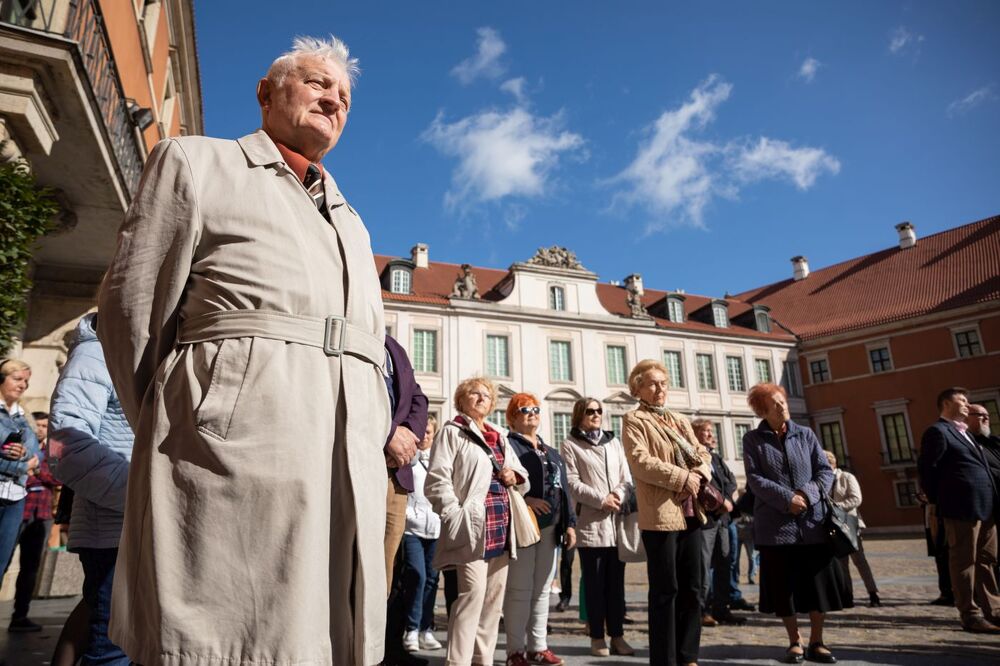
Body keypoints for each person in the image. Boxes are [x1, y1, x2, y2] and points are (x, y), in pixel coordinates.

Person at [96, 35, 392, 665]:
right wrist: (194, 414)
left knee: (325, 636)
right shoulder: (197, 163)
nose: (333, 100)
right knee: (226, 639)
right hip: (232, 453)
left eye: (343, 96)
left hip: (345, 461)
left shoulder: (353, 220)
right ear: (265, 92)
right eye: (316, 83)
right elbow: (129, 313)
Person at [47, 313, 135, 665]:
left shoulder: (141, 353)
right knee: (112, 648)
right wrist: (149, 498)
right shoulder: (97, 352)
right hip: (113, 531)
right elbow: (64, 449)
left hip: (139, 527)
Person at [425, 377, 530, 666]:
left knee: (493, 603)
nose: (482, 398)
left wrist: (515, 476)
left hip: (502, 524)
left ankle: (482, 660)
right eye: (475, 393)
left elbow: (521, 473)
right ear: (462, 399)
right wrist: (454, 515)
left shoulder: (499, 434)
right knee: (471, 595)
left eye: (486, 395)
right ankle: (457, 662)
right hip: (472, 526)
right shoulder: (452, 432)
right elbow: (436, 480)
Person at [743, 382, 851, 664]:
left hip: (812, 523)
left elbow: (824, 471)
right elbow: (755, 479)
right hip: (776, 528)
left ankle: (818, 640)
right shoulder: (753, 440)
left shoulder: (805, 434)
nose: (782, 407)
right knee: (783, 589)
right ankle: (795, 641)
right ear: (762, 411)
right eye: (775, 404)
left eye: (783, 401)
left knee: (818, 587)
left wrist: (806, 494)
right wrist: (787, 498)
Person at [622, 360, 710, 666]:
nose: (660, 388)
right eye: (652, 383)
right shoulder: (634, 420)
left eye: (663, 383)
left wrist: (699, 472)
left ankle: (688, 656)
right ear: (638, 388)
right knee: (666, 590)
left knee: (693, 587)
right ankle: (664, 659)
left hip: (691, 511)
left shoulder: (679, 420)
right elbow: (640, 462)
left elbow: (702, 453)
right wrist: (682, 477)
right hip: (660, 514)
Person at [918, 387, 1000, 634]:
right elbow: (928, 469)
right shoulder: (938, 431)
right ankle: (970, 613)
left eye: (967, 400)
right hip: (961, 506)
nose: (967, 404)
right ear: (945, 403)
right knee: (964, 561)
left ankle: (994, 611)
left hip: (986, 506)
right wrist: (940, 501)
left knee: (987, 560)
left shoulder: (967, 435)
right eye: (961, 400)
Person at [503, 393, 576, 666]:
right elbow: (503, 482)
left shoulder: (551, 451)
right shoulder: (509, 446)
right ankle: (515, 651)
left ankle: (538, 646)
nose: (532, 413)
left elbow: (564, 489)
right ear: (512, 417)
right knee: (520, 589)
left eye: (535, 409)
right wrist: (526, 498)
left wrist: (569, 524)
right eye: (524, 410)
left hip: (551, 527)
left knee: (543, 589)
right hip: (524, 525)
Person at [562, 396, 635, 658]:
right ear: (579, 415)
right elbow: (571, 482)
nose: (596, 414)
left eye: (599, 411)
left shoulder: (613, 442)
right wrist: (600, 499)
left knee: (616, 586)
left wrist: (618, 494)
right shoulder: (570, 445)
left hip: (616, 525)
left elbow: (627, 477)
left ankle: (617, 636)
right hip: (591, 525)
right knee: (594, 586)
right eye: (590, 411)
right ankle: (596, 638)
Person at [381, 335, 428, 666]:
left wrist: (408, 435)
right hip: (357, 460)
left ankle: (382, 650)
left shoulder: (393, 346)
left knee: (388, 573)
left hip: (395, 476)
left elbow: (418, 398)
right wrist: (387, 433)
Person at [8, 410, 59, 632]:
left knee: (30, 567)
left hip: (41, 513)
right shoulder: (21, 443)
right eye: (37, 425)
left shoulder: (54, 447)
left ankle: (20, 615)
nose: (40, 429)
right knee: (5, 559)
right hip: (16, 508)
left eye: (44, 426)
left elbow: (57, 477)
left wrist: (35, 469)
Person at [689, 418, 743, 628]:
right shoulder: (693, 458)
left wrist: (727, 500)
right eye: (707, 432)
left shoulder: (717, 458)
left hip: (723, 520)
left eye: (712, 431)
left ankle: (722, 608)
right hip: (706, 521)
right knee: (703, 568)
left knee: (725, 563)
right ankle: (703, 610)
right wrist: (719, 502)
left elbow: (731, 481)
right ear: (695, 435)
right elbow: (700, 485)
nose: (712, 435)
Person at [399, 416, 441, 655]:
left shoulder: (439, 459)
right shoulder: (410, 459)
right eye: (421, 431)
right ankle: (411, 628)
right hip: (412, 527)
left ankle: (426, 628)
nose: (425, 435)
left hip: (435, 527)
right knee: (417, 575)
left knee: (433, 580)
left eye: (429, 432)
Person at [0, 359, 41, 592]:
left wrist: (26, 456)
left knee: (1, 563)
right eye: (17, 379)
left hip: (15, 497)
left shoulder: (24, 417)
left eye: (26, 381)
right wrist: (20, 466)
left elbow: (38, 455)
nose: (23, 385)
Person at [824, 451, 881, 607]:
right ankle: (847, 596)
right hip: (834, 527)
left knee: (860, 561)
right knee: (841, 563)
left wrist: (836, 508)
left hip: (850, 525)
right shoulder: (822, 482)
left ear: (831, 463)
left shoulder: (847, 477)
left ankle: (873, 594)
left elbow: (856, 498)